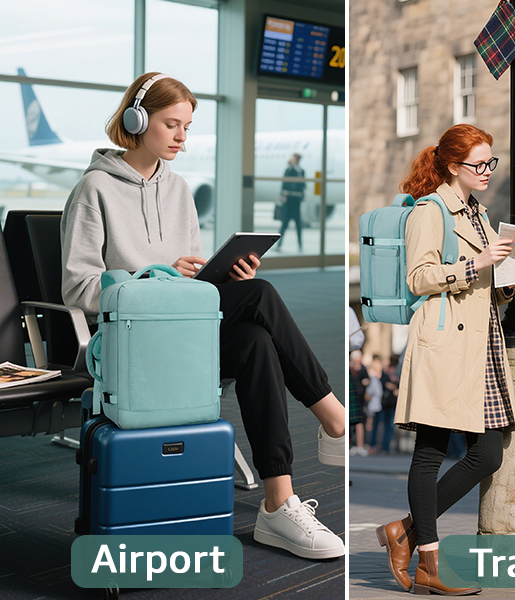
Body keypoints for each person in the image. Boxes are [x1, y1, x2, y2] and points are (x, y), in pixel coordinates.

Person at [61, 72, 346, 560]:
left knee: (255, 335)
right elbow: (80, 288)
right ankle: (332, 415)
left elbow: (189, 289)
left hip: (185, 334)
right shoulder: (94, 190)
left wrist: (219, 278)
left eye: (187, 127)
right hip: (132, 343)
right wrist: (153, 274)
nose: (181, 138)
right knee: (261, 295)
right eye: (171, 124)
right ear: (136, 120)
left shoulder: (180, 191)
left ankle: (279, 505)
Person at [373, 123, 515, 595]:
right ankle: (429, 565)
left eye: (490, 162)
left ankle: (407, 532)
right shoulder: (430, 210)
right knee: (430, 454)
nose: (486, 171)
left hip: (479, 344)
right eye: (478, 164)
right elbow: (419, 278)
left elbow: (480, 289)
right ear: (453, 166)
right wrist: (479, 264)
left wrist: (509, 282)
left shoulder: (478, 213)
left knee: (488, 453)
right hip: (444, 344)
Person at [279, 153, 307, 251]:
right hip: (289, 199)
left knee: (298, 224)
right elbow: (284, 183)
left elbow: (303, 184)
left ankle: (300, 245)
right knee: (285, 223)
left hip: (296, 200)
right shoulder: (289, 169)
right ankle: (279, 244)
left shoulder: (301, 171)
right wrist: (283, 195)